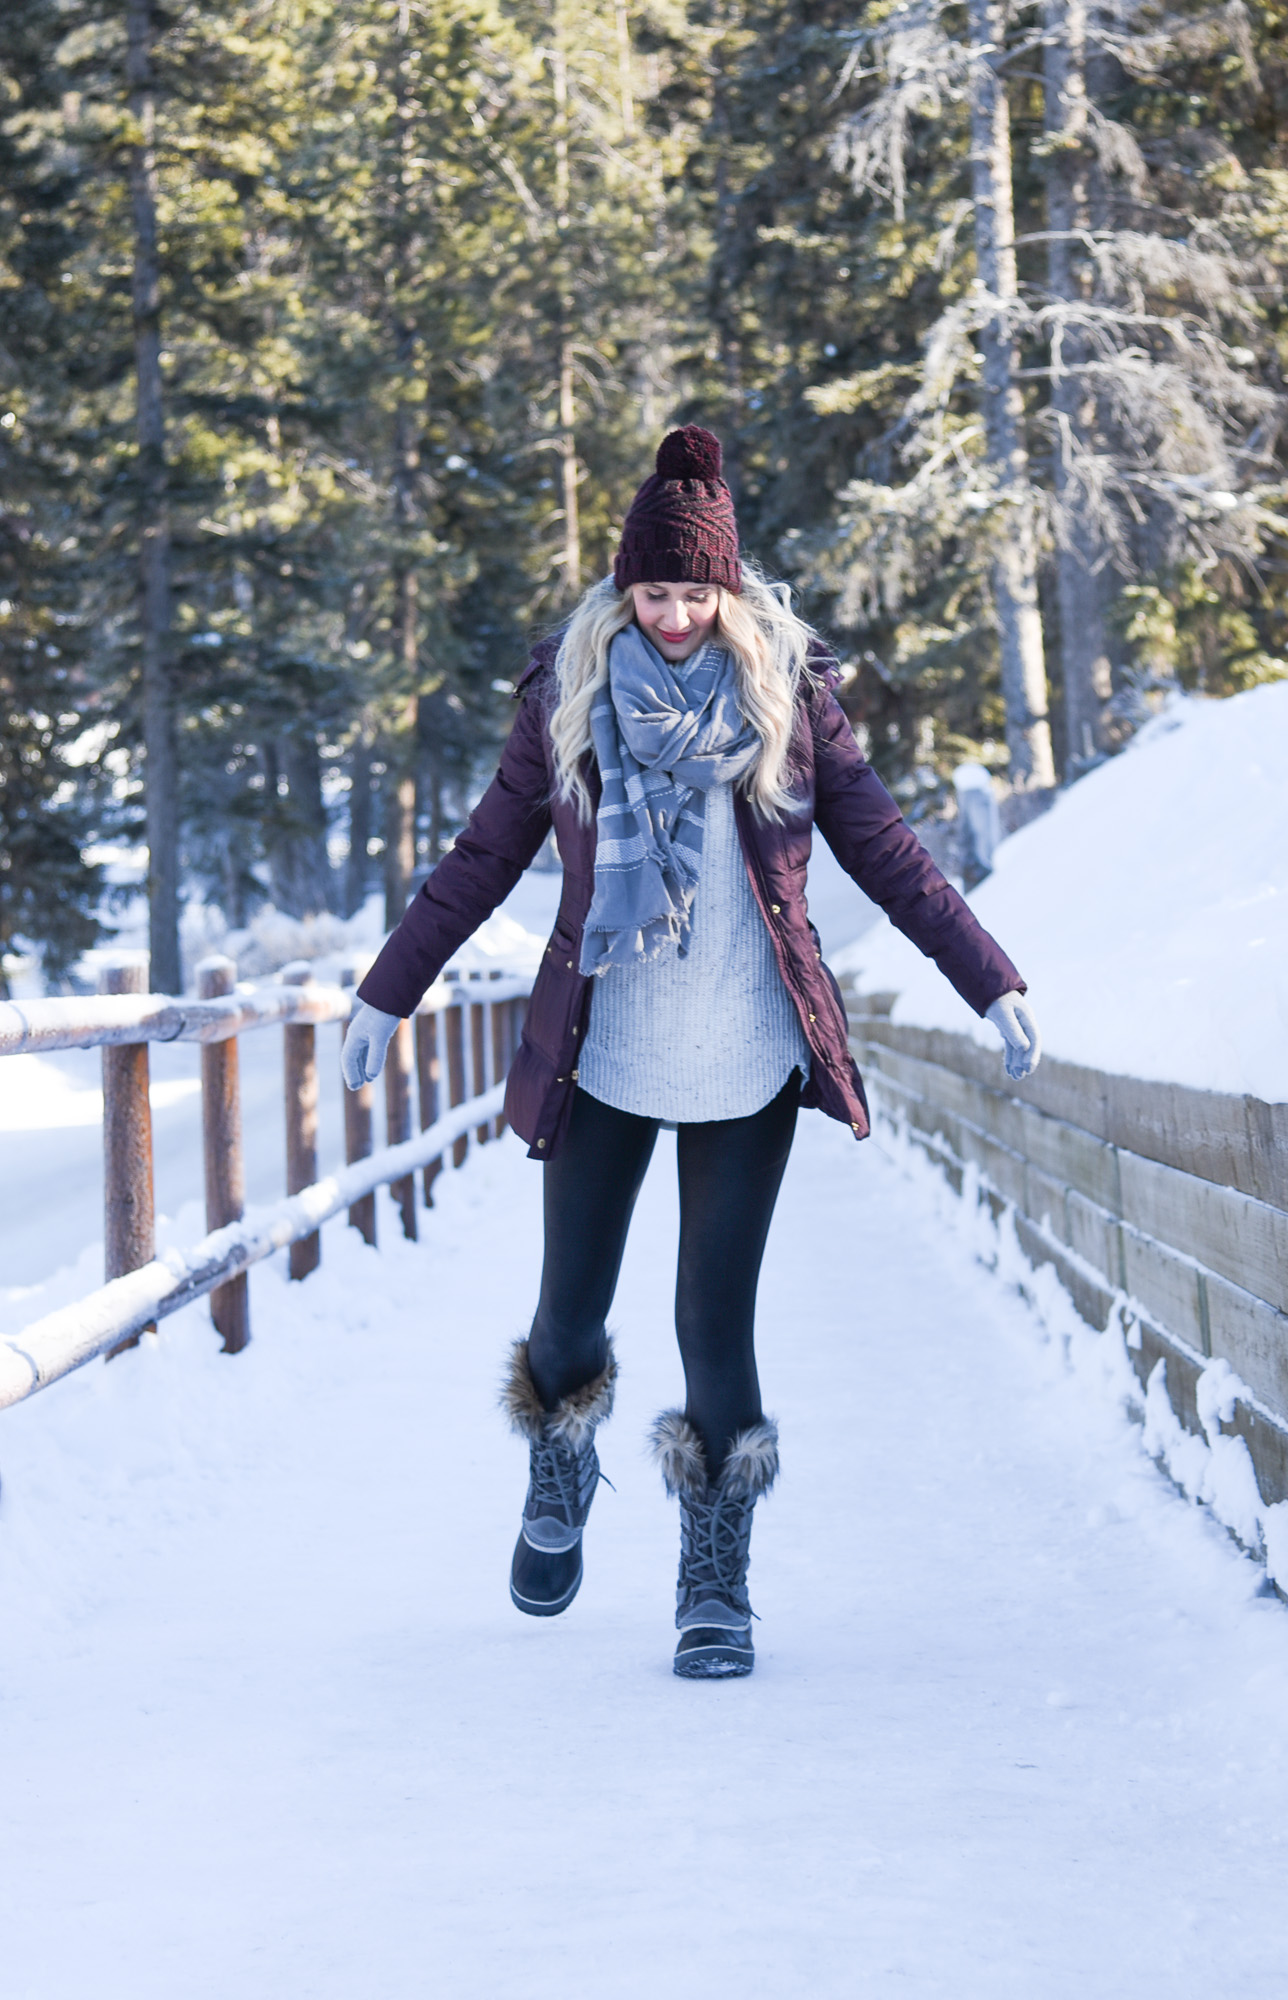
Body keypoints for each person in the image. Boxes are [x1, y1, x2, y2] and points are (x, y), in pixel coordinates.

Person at [341, 425, 1040, 1680]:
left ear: (728, 589)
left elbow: (890, 854)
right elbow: (479, 859)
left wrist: (989, 981)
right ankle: (559, 1460)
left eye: (692, 592)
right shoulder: (568, 698)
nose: (671, 616)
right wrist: (386, 995)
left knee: (713, 1326)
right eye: (651, 592)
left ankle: (713, 1582)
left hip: (746, 1054)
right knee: (569, 1316)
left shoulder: (788, 699)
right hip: (604, 1051)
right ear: (622, 589)